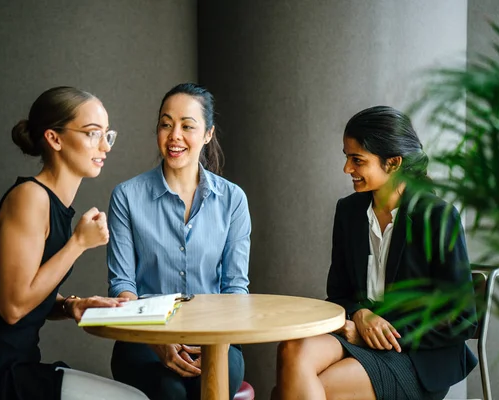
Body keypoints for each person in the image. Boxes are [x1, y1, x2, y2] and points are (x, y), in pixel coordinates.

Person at [0, 87, 148, 400]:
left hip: (17, 366)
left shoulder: (51, 202)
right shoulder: (30, 198)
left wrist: (71, 305)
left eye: (107, 135)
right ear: (54, 139)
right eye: (91, 133)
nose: (104, 146)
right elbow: (13, 308)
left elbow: (31, 289)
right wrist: (78, 243)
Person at [273, 106, 477, 400]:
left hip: (416, 354)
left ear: (393, 163)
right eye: (346, 157)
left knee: (293, 392)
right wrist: (362, 315)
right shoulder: (349, 211)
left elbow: (461, 320)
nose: (347, 169)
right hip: (359, 334)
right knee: (291, 349)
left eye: (357, 160)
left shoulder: (437, 216)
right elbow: (339, 294)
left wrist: (385, 331)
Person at [107, 82, 250, 400]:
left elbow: (235, 289)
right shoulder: (127, 197)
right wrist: (158, 340)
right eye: (166, 124)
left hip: (217, 337)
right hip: (142, 339)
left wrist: (215, 343)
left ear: (208, 134)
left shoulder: (232, 200)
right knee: (169, 390)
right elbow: (121, 286)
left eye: (187, 126)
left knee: (208, 384)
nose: (174, 136)